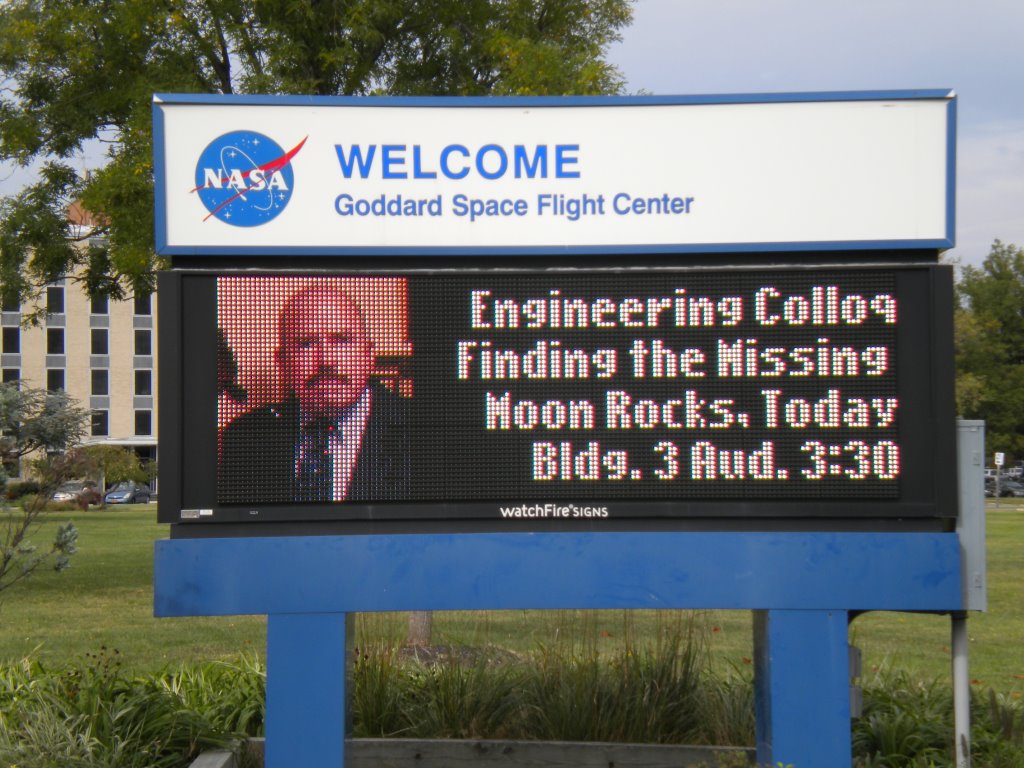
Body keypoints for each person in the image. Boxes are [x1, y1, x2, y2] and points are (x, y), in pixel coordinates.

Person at [218, 284, 410, 503]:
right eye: (306, 344)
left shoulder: (425, 429)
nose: (326, 360)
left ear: (368, 355)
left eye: (342, 341)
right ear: (282, 363)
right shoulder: (245, 437)